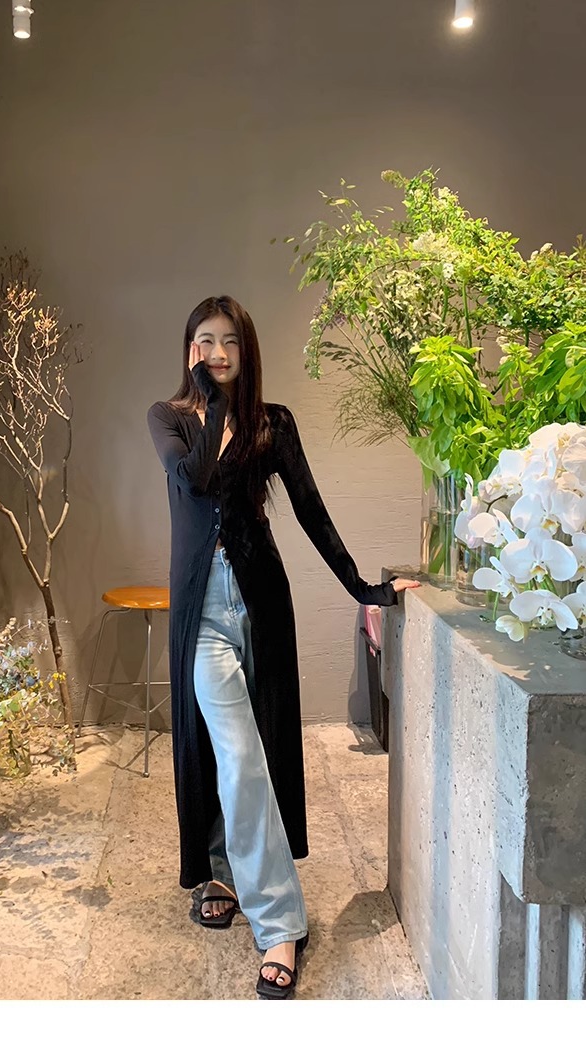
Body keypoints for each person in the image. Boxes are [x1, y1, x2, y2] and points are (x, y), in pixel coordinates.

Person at [146, 295, 421, 999]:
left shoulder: (274, 424)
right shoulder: (169, 418)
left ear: (247, 348)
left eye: (230, 341)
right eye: (205, 341)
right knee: (233, 753)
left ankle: (226, 873)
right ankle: (279, 923)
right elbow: (193, 478)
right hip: (202, 615)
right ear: (189, 349)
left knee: (254, 750)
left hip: (262, 606)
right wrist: (211, 402)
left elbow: (309, 508)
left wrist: (364, 588)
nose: (218, 353)